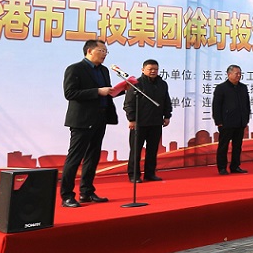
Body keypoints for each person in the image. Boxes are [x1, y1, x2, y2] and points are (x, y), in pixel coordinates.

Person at [61, 39, 118, 207]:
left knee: (93, 157)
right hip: (82, 120)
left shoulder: (104, 70)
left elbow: (107, 92)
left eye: (106, 52)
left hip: (100, 118)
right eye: (102, 51)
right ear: (90, 51)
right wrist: (97, 91)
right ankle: (67, 196)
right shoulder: (75, 69)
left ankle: (86, 192)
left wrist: (121, 90)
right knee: (75, 158)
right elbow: (70, 93)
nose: (104, 54)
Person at [123, 59, 173, 182]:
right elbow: (128, 104)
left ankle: (150, 174)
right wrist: (132, 119)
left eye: (155, 69)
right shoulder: (136, 83)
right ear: (143, 70)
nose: (153, 71)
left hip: (156, 122)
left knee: (152, 150)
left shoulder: (162, 84)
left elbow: (166, 101)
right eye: (150, 69)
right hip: (139, 123)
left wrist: (167, 116)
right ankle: (134, 175)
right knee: (136, 150)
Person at [212, 65, 251, 175]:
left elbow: (247, 104)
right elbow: (216, 106)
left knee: (237, 146)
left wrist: (246, 118)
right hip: (226, 122)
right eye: (236, 73)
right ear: (229, 74)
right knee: (223, 146)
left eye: (240, 73)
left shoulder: (243, 87)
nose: (239, 75)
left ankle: (235, 166)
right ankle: (222, 167)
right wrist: (218, 121)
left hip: (240, 122)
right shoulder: (221, 88)